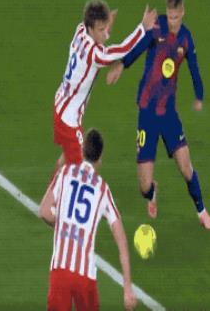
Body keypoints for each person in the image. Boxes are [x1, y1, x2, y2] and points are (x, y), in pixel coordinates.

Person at [107, 0, 210, 229]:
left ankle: (201, 211)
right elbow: (138, 48)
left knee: (185, 167)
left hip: (168, 115)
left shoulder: (186, 38)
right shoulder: (157, 28)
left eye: (176, 16)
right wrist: (121, 65)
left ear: (182, 12)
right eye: (170, 15)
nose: (173, 21)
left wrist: (199, 96)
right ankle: (152, 192)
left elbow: (194, 69)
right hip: (147, 113)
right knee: (144, 185)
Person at [53, 0, 157, 173]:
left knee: (66, 158)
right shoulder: (95, 55)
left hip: (60, 104)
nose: (104, 33)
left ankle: (51, 189)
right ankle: (56, 191)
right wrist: (142, 28)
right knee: (81, 169)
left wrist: (106, 28)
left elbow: (98, 38)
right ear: (90, 28)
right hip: (69, 120)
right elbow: (121, 50)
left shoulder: (80, 30)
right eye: (100, 29)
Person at [40, 128, 137, 311]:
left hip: (60, 270)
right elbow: (121, 241)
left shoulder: (65, 173)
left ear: (82, 150)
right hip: (85, 277)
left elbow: (44, 211)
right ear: (100, 158)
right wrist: (127, 289)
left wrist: (63, 225)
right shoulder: (102, 189)